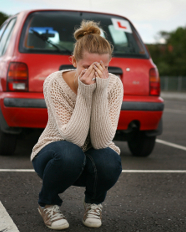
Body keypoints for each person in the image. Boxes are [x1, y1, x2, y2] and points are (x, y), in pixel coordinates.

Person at [31, 20, 123, 230]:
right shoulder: (55, 82)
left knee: (110, 159)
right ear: (73, 61)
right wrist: (84, 91)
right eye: (87, 67)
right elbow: (73, 139)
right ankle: (48, 203)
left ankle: (94, 202)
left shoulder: (114, 85)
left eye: (103, 67)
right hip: (54, 154)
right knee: (70, 153)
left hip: (92, 155)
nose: (96, 73)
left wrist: (99, 91)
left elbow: (101, 142)